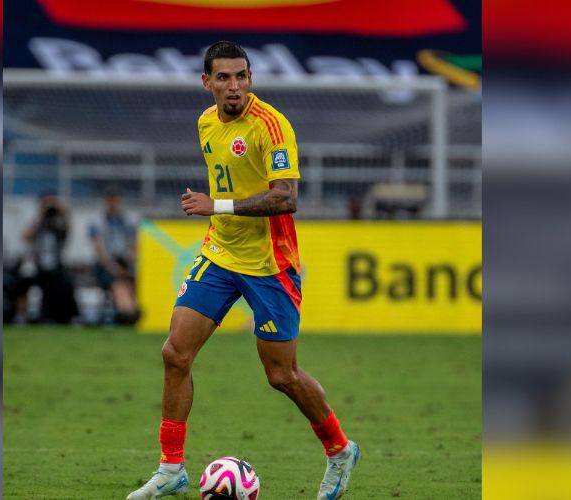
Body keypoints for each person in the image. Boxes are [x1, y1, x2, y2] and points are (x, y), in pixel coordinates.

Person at [126, 41, 358, 500]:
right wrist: (218, 215)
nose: (234, 86)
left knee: (282, 375)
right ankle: (171, 468)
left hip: (270, 264)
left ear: (250, 78)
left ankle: (340, 449)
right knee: (175, 354)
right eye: (224, 77)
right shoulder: (206, 122)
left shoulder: (272, 126)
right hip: (220, 255)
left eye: (241, 76)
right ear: (207, 82)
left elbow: (286, 197)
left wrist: (217, 205)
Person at [20, 193, 78, 324]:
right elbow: (25, 237)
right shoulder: (36, 220)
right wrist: (41, 216)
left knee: (65, 283)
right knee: (23, 282)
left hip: (56, 266)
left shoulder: (58, 222)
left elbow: (68, 232)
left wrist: (64, 213)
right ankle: (23, 316)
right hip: (37, 265)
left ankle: (66, 317)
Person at [89, 189, 140, 325]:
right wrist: (114, 268)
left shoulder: (127, 220)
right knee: (119, 284)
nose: (113, 203)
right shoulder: (98, 221)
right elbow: (99, 251)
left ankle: (128, 311)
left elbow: (134, 246)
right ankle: (127, 312)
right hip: (105, 265)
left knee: (128, 281)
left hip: (123, 262)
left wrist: (128, 264)